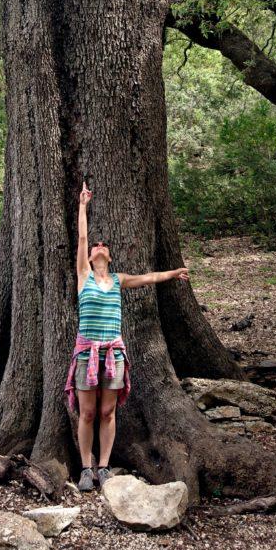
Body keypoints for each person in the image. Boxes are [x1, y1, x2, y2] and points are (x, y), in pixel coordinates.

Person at [64, 180, 190, 492]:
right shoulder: (84, 277)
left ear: (109, 255)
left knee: (107, 412)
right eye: (96, 246)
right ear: (92, 256)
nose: (99, 245)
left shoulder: (119, 279)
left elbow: (149, 277)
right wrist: (83, 205)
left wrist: (174, 273)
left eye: (103, 245)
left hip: (114, 354)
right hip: (86, 353)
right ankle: (85, 469)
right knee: (88, 412)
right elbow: (81, 238)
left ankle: (104, 467)